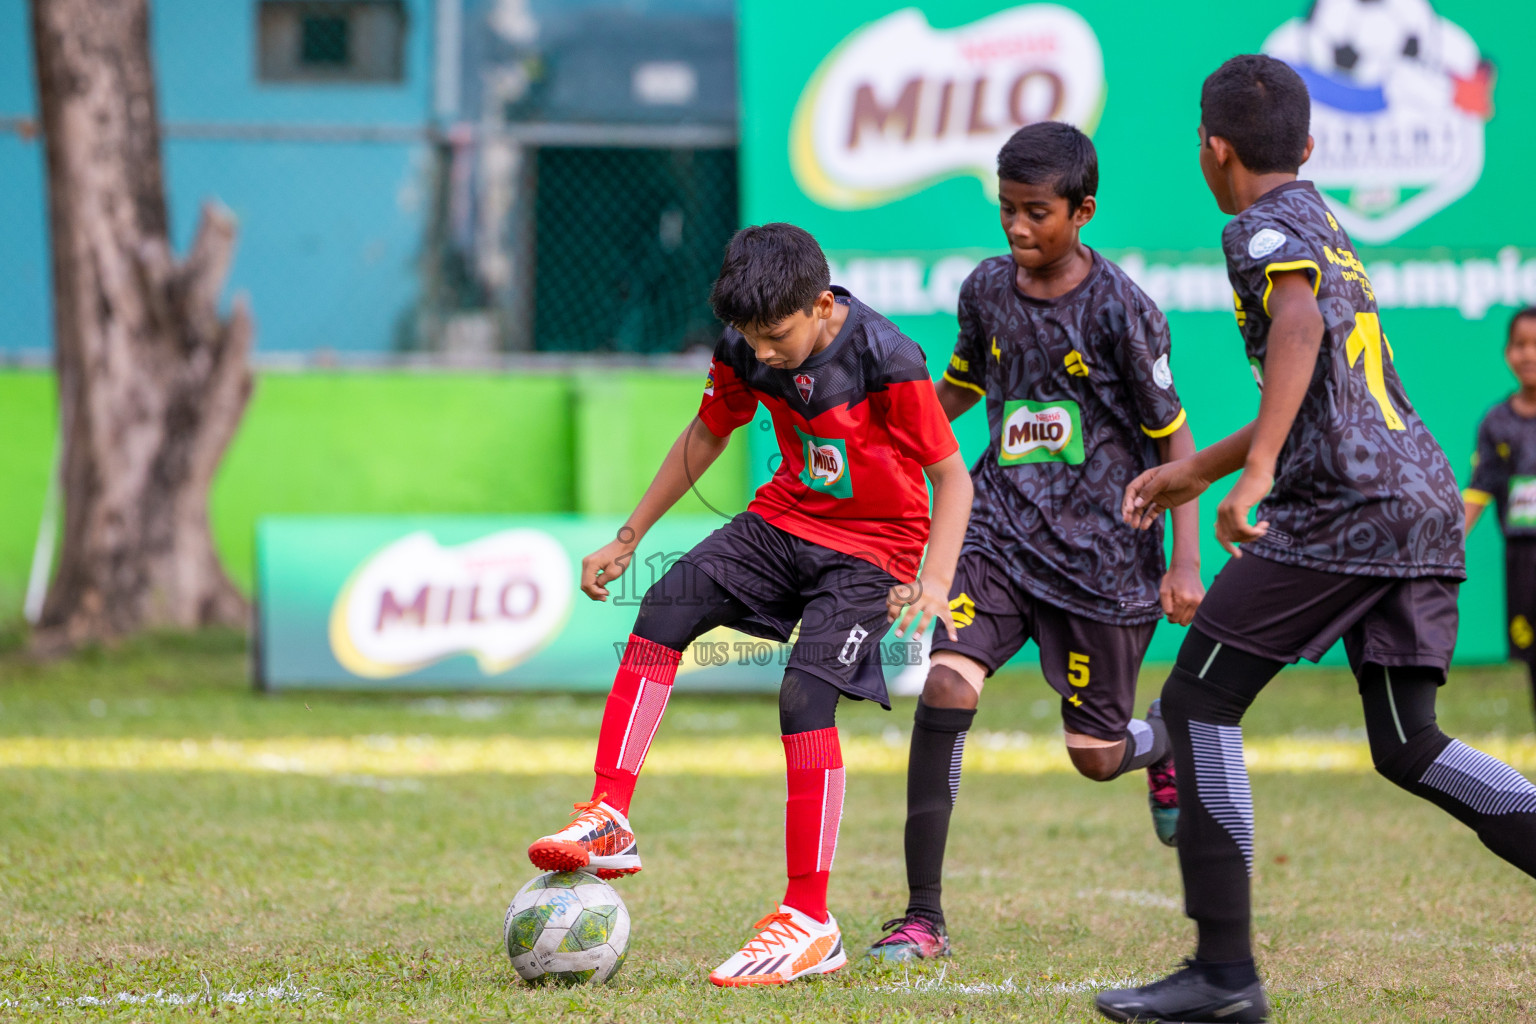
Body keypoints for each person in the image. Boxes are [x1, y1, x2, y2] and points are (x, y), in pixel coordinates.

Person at [1095, 55, 1536, 1023]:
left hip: (1348, 506)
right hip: (1415, 495)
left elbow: (1295, 330)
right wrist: (1200, 467)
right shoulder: (1326, 222)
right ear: (1307, 145)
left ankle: (1223, 977)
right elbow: (1328, 382)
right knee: (1408, 742)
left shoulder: (1257, 226)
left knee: (1199, 700)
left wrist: (1252, 478)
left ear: (1213, 150)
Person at [524, 222, 973, 987]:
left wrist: (934, 581)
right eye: (749, 337)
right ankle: (609, 816)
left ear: (823, 305)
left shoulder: (888, 358)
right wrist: (629, 536)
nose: (761, 353)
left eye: (775, 336)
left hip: (875, 548)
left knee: (804, 697)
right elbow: (707, 432)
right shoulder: (744, 346)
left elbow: (952, 478)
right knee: (666, 602)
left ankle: (809, 920)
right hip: (783, 520)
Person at [865, 121, 1203, 964]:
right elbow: (963, 383)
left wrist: (1187, 559)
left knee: (1093, 755)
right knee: (946, 686)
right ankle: (923, 917)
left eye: (1036, 213)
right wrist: (892, 436)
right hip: (999, 534)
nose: (1017, 228)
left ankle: (1163, 740)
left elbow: (1176, 440)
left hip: (1105, 555)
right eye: (1007, 209)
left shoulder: (1123, 308)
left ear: (1082, 212)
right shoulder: (985, 290)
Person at [1463, 307, 1536, 721]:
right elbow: (1480, 488)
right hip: (1524, 558)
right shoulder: (1497, 422)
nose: (1528, 355)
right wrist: (1445, 543)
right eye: (1520, 345)